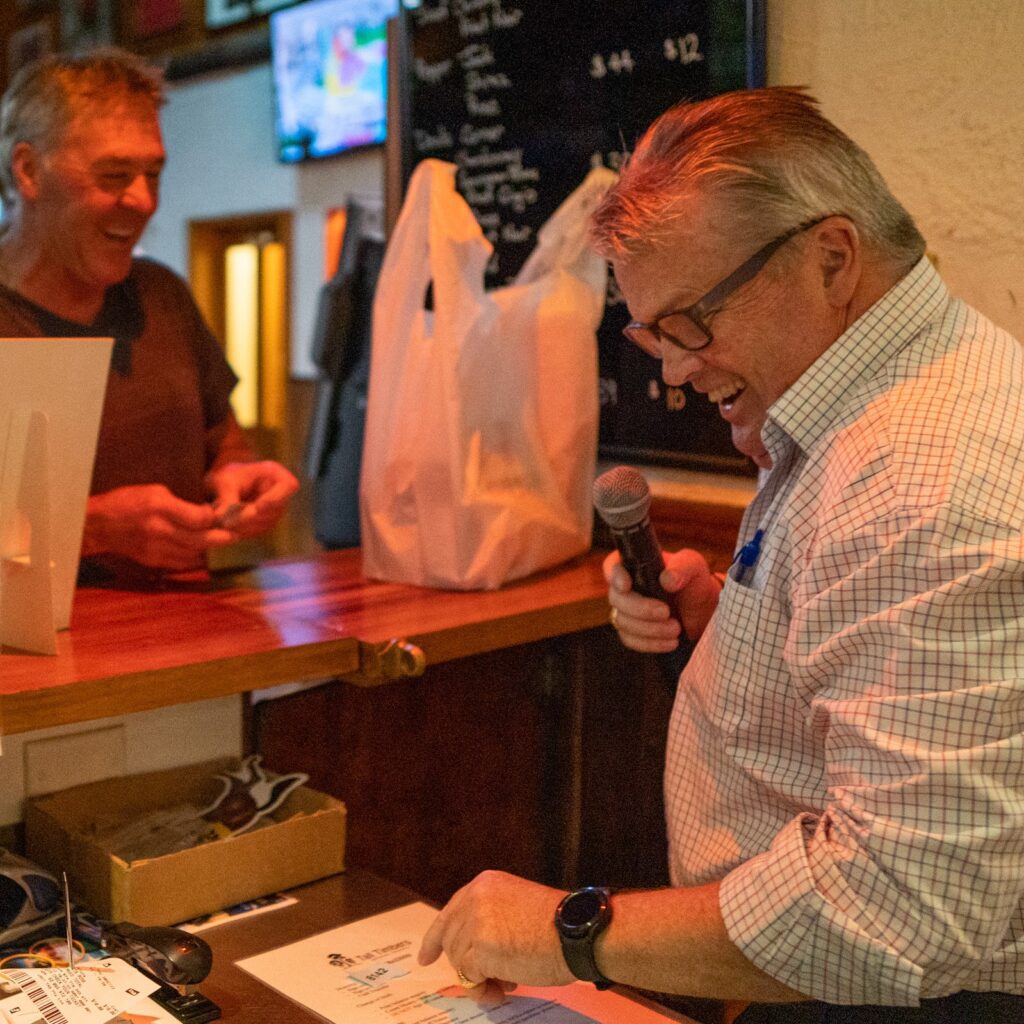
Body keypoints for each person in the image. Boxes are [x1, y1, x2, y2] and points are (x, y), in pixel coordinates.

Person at [416, 88, 1024, 1023]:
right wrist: (737, 629)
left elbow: (902, 913)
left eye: (689, 324)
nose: (670, 368)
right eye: (650, 333)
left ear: (831, 259)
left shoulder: (917, 482)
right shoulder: (874, 413)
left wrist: (570, 932)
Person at [0, 49, 297, 575]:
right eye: (114, 175)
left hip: (188, 635)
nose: (143, 201)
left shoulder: (163, 295)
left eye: (154, 174)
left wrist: (243, 479)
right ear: (27, 170)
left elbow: (223, 443)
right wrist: (93, 530)